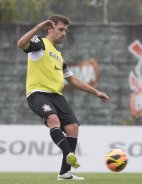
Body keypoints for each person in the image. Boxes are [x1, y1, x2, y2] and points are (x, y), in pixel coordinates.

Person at [17, 15, 109, 180]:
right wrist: (38, 26)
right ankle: (68, 154)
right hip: (37, 94)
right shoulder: (40, 43)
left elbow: (73, 80)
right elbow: (20, 44)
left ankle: (65, 173)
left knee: (73, 127)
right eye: (61, 29)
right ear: (50, 28)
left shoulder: (58, 56)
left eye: (66, 30)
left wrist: (96, 92)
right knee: (53, 119)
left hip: (56, 96)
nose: (64, 33)